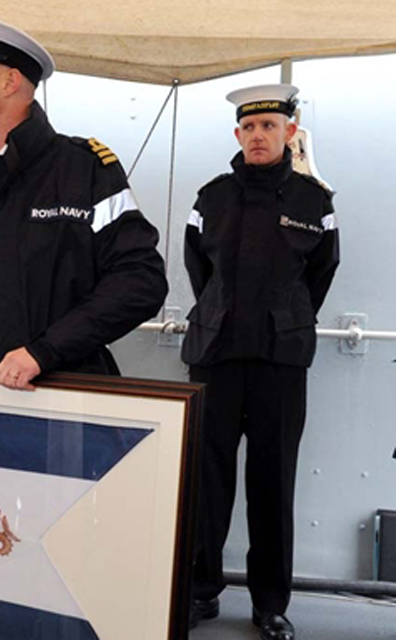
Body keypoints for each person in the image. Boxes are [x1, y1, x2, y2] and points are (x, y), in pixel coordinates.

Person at [0, 13, 167, 389]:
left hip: (65, 399)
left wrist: (45, 351)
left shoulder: (83, 170)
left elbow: (140, 281)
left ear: (10, 81)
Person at [183, 84, 340, 640]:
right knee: (206, 481)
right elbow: (200, 274)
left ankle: (269, 604)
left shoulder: (314, 202)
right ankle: (199, 592)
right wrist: (223, 314)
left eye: (269, 126)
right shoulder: (211, 198)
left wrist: (287, 317)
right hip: (217, 356)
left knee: (273, 482)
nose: (258, 136)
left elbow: (319, 274)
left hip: (280, 359)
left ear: (289, 133)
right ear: (237, 135)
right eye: (249, 128)